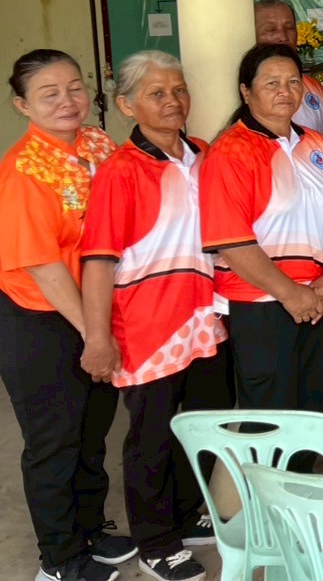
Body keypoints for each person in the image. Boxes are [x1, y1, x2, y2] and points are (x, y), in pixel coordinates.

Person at [79, 53, 227, 581]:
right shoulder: (120, 171)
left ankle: (186, 514)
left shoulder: (202, 153)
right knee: (152, 436)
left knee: (202, 422)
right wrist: (98, 337)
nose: (173, 102)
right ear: (126, 105)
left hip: (205, 317)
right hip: (147, 326)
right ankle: (156, 541)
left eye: (179, 90)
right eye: (157, 94)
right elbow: (99, 261)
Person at [0, 50, 133, 581]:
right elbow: (43, 266)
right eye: (49, 94)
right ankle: (58, 560)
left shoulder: (97, 143)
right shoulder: (23, 171)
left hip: (95, 307)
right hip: (42, 318)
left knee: (92, 429)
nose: (67, 101)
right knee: (54, 441)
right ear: (22, 105)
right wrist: (94, 334)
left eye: (74, 87)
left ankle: (91, 529)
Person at [199, 46, 323, 435]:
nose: (285, 91)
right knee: (271, 413)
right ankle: (267, 478)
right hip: (260, 303)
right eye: (272, 83)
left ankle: (302, 474)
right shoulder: (232, 150)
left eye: (293, 81)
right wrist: (290, 294)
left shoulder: (315, 143)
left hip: (315, 296)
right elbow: (231, 241)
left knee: (314, 403)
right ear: (246, 91)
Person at [253, 0, 323, 133]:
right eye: (271, 30)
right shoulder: (249, 89)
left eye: (289, 28)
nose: (283, 36)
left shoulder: (315, 88)